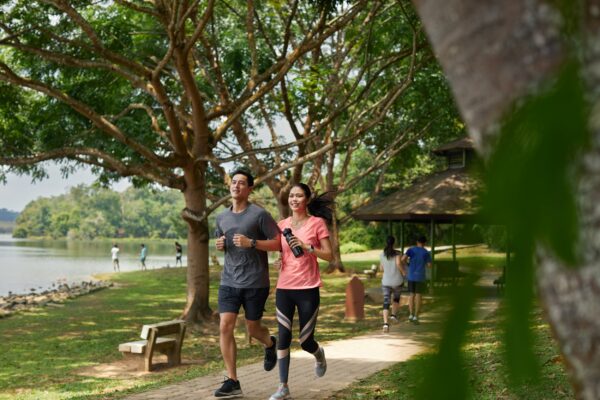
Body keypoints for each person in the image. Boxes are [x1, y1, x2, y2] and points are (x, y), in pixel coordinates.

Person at [213, 169, 281, 398]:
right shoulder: (221, 217)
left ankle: (270, 344)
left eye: (242, 183)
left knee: (252, 329)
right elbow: (220, 239)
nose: (236, 186)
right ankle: (233, 381)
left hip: (255, 281)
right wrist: (220, 245)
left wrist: (251, 242)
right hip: (229, 281)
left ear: (250, 189)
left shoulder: (260, 215)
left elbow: (278, 243)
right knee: (225, 326)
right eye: (234, 182)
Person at [269, 183, 333, 400]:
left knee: (305, 341)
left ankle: (319, 354)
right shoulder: (282, 225)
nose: (294, 199)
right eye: (292, 196)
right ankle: (283, 386)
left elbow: (329, 255)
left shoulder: (317, 223)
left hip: (308, 288)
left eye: (299, 196)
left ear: (307, 199)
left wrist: (308, 247)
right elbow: (282, 252)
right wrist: (278, 261)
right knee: (283, 336)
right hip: (284, 288)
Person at [401, 236, 431, 325]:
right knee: (418, 296)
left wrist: (408, 264)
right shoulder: (426, 252)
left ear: (417, 242)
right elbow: (429, 265)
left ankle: (410, 314)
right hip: (420, 277)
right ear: (425, 243)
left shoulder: (411, 250)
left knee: (411, 295)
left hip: (411, 276)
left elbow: (403, 259)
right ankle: (416, 316)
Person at [380, 235, 406, 333]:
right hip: (397, 281)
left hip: (386, 281)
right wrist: (403, 272)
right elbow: (399, 264)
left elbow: (381, 268)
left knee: (386, 302)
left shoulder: (382, 254)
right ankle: (393, 316)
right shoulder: (397, 253)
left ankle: (386, 324)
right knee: (396, 299)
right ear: (394, 243)